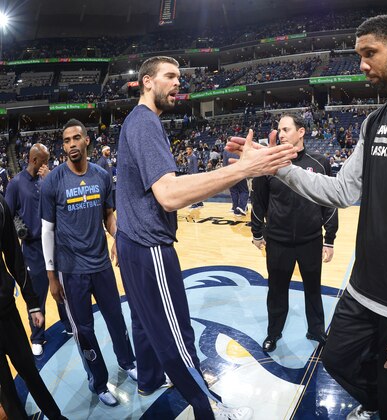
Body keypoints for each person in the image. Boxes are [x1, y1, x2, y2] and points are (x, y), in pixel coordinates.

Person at [228, 15, 387, 420]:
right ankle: (377, 407)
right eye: (358, 55)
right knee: (336, 361)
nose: (361, 64)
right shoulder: (374, 122)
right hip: (363, 289)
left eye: (369, 53)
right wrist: (277, 168)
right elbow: (341, 190)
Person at [115, 55, 296, 420]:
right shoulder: (146, 122)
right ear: (147, 81)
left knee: (145, 324)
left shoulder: (135, 123)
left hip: (132, 244)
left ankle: (149, 379)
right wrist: (245, 168)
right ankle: (208, 408)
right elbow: (169, 194)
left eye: (179, 77)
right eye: (170, 76)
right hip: (148, 248)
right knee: (178, 338)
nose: (177, 83)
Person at [40, 119, 137, 407]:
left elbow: (109, 214)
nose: (71, 144)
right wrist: (52, 278)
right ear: (63, 145)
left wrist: (117, 236)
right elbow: (47, 230)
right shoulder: (53, 182)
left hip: (102, 266)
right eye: (66, 140)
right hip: (71, 272)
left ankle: (128, 362)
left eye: (76, 138)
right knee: (84, 331)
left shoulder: (101, 175)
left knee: (116, 319)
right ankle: (98, 382)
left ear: (87, 141)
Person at [250, 114, 338, 352]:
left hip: (311, 240)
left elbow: (329, 203)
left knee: (313, 288)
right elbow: (258, 200)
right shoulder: (269, 164)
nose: (281, 133)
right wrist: (257, 232)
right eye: (279, 130)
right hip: (278, 241)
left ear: (301, 132)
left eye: (286, 129)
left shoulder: (320, 163)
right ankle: (273, 333)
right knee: (276, 291)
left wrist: (329, 239)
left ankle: (316, 330)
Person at [0, 194, 68, 420]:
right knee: (4, 386)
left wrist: (32, 303)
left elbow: (14, 256)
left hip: (5, 309)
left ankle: (55, 417)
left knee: (28, 370)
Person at [5, 143, 72, 356]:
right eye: (44, 160)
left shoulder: (49, 179)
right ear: (34, 160)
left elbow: (64, 200)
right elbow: (7, 215)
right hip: (33, 249)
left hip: (55, 244)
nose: (47, 163)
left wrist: (50, 178)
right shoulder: (15, 184)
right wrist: (19, 227)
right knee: (37, 294)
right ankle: (37, 336)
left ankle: (69, 324)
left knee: (62, 287)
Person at [223, 148, 249, 215]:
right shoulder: (241, 150)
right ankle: (242, 207)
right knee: (244, 191)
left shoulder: (226, 151)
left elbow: (224, 164)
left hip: (230, 173)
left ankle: (235, 208)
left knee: (234, 191)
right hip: (240, 172)